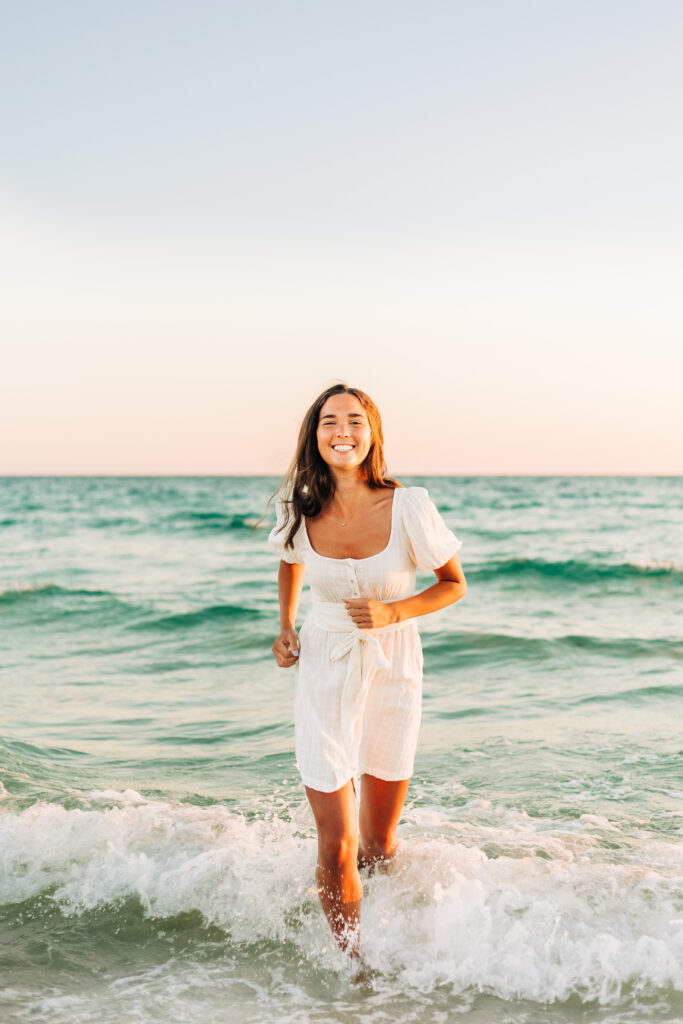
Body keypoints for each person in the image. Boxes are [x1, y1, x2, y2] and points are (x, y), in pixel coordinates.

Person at [268, 383, 467, 958]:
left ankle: (384, 923)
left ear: (372, 432)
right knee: (336, 842)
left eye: (354, 421)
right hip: (323, 666)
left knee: (377, 843)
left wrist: (393, 612)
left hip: (394, 665)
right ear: (315, 434)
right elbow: (288, 561)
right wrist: (285, 625)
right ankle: (352, 970)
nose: (342, 433)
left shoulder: (409, 505)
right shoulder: (298, 509)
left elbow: (453, 583)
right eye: (329, 422)